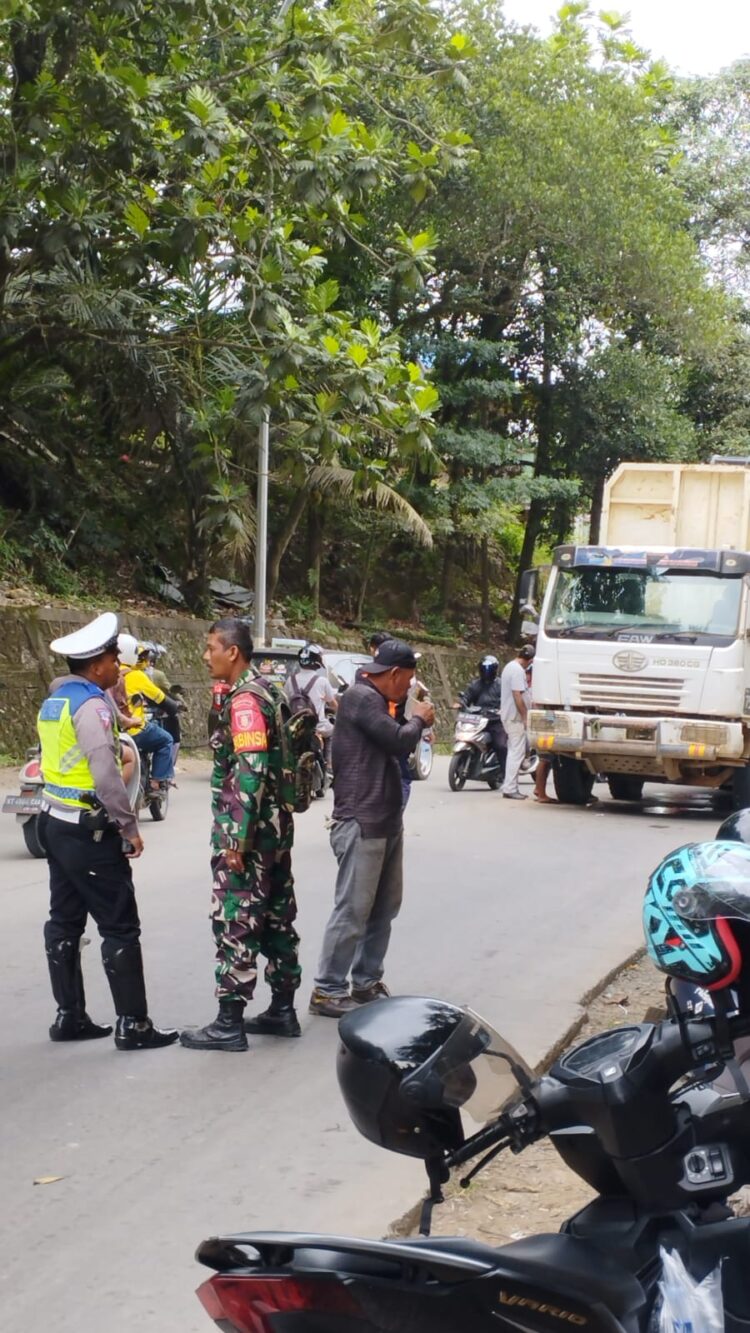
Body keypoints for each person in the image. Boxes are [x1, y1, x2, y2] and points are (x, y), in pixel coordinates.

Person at [37, 612, 178, 1049]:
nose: (119, 665)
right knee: (119, 925)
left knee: (64, 920)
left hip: (52, 822)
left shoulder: (55, 700)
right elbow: (105, 773)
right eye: (115, 658)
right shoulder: (92, 706)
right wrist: (128, 826)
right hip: (88, 829)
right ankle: (133, 1025)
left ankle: (69, 1017)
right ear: (96, 664)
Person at [180, 617, 302, 1052]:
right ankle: (283, 1010)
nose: (205, 655)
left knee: (236, 917)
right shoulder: (266, 689)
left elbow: (249, 771)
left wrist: (236, 839)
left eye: (211, 647)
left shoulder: (246, 701)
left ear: (232, 651)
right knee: (276, 918)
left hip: (250, 834)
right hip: (274, 831)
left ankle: (229, 1022)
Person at [309, 639, 435, 1018]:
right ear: (394, 674)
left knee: (384, 907)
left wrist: (406, 712)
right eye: (408, 681)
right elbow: (398, 741)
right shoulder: (361, 697)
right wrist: (419, 718)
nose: (409, 687)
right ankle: (327, 989)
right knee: (353, 909)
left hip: (386, 819)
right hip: (361, 819)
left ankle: (366, 981)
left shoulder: (380, 701)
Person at [118, 633, 179, 790]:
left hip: (113, 731)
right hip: (134, 730)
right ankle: (156, 782)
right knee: (166, 740)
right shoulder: (137, 675)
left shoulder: (108, 673)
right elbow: (161, 698)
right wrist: (174, 707)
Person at [285, 642, 337, 774]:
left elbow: (285, 700)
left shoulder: (290, 681)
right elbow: (333, 704)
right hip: (317, 727)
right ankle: (329, 765)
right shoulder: (322, 681)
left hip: (295, 727)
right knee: (333, 731)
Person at [458, 654, 506, 770]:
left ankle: (505, 773)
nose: (486, 671)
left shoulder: (501, 685)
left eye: (489, 669)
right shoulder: (476, 684)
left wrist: (501, 710)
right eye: (484, 668)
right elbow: (467, 696)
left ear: (495, 669)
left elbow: (506, 700)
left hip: (495, 721)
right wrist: (461, 703)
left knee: (500, 746)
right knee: (464, 736)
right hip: (477, 720)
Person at [500, 645, 534, 801]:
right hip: (514, 717)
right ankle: (510, 788)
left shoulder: (509, 666)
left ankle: (510, 786)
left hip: (508, 715)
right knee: (516, 753)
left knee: (514, 751)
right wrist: (525, 716)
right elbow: (517, 695)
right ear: (530, 660)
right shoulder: (518, 670)